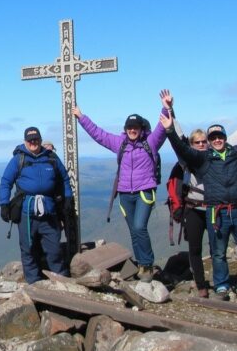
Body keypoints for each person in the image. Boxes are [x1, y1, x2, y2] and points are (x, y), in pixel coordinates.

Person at [161, 95, 237, 302]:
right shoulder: (203, 159)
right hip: (217, 212)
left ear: (223, 137)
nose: (216, 140)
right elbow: (181, 147)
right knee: (218, 253)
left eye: (219, 136)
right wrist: (170, 128)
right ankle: (222, 286)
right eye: (212, 137)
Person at [72, 93, 170, 282]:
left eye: (136, 127)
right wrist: (82, 117)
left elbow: (162, 128)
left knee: (140, 226)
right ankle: (141, 264)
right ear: (126, 129)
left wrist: (166, 107)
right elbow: (99, 135)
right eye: (130, 127)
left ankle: (147, 265)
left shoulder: (151, 142)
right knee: (134, 230)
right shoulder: (120, 144)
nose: (133, 130)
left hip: (144, 191)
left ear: (142, 129)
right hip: (125, 193)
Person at [0, 126, 74, 283]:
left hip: (49, 210)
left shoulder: (51, 158)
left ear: (40, 140)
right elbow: (6, 182)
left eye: (36, 139)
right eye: (30, 140)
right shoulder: (19, 160)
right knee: (28, 250)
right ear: (25, 141)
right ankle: (34, 284)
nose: (33, 142)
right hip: (27, 212)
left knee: (54, 249)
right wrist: (4, 204)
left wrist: (68, 198)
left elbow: (65, 178)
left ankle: (62, 283)